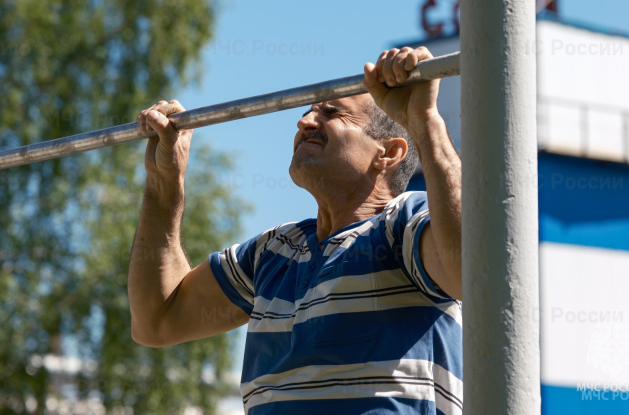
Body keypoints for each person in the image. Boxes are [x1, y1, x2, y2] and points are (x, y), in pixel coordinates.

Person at [128, 46, 463, 414]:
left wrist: (425, 120)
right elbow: (156, 320)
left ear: (387, 153)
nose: (304, 121)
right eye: (307, 111)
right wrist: (164, 182)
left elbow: (471, 273)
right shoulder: (273, 252)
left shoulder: (405, 223)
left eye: (332, 112)